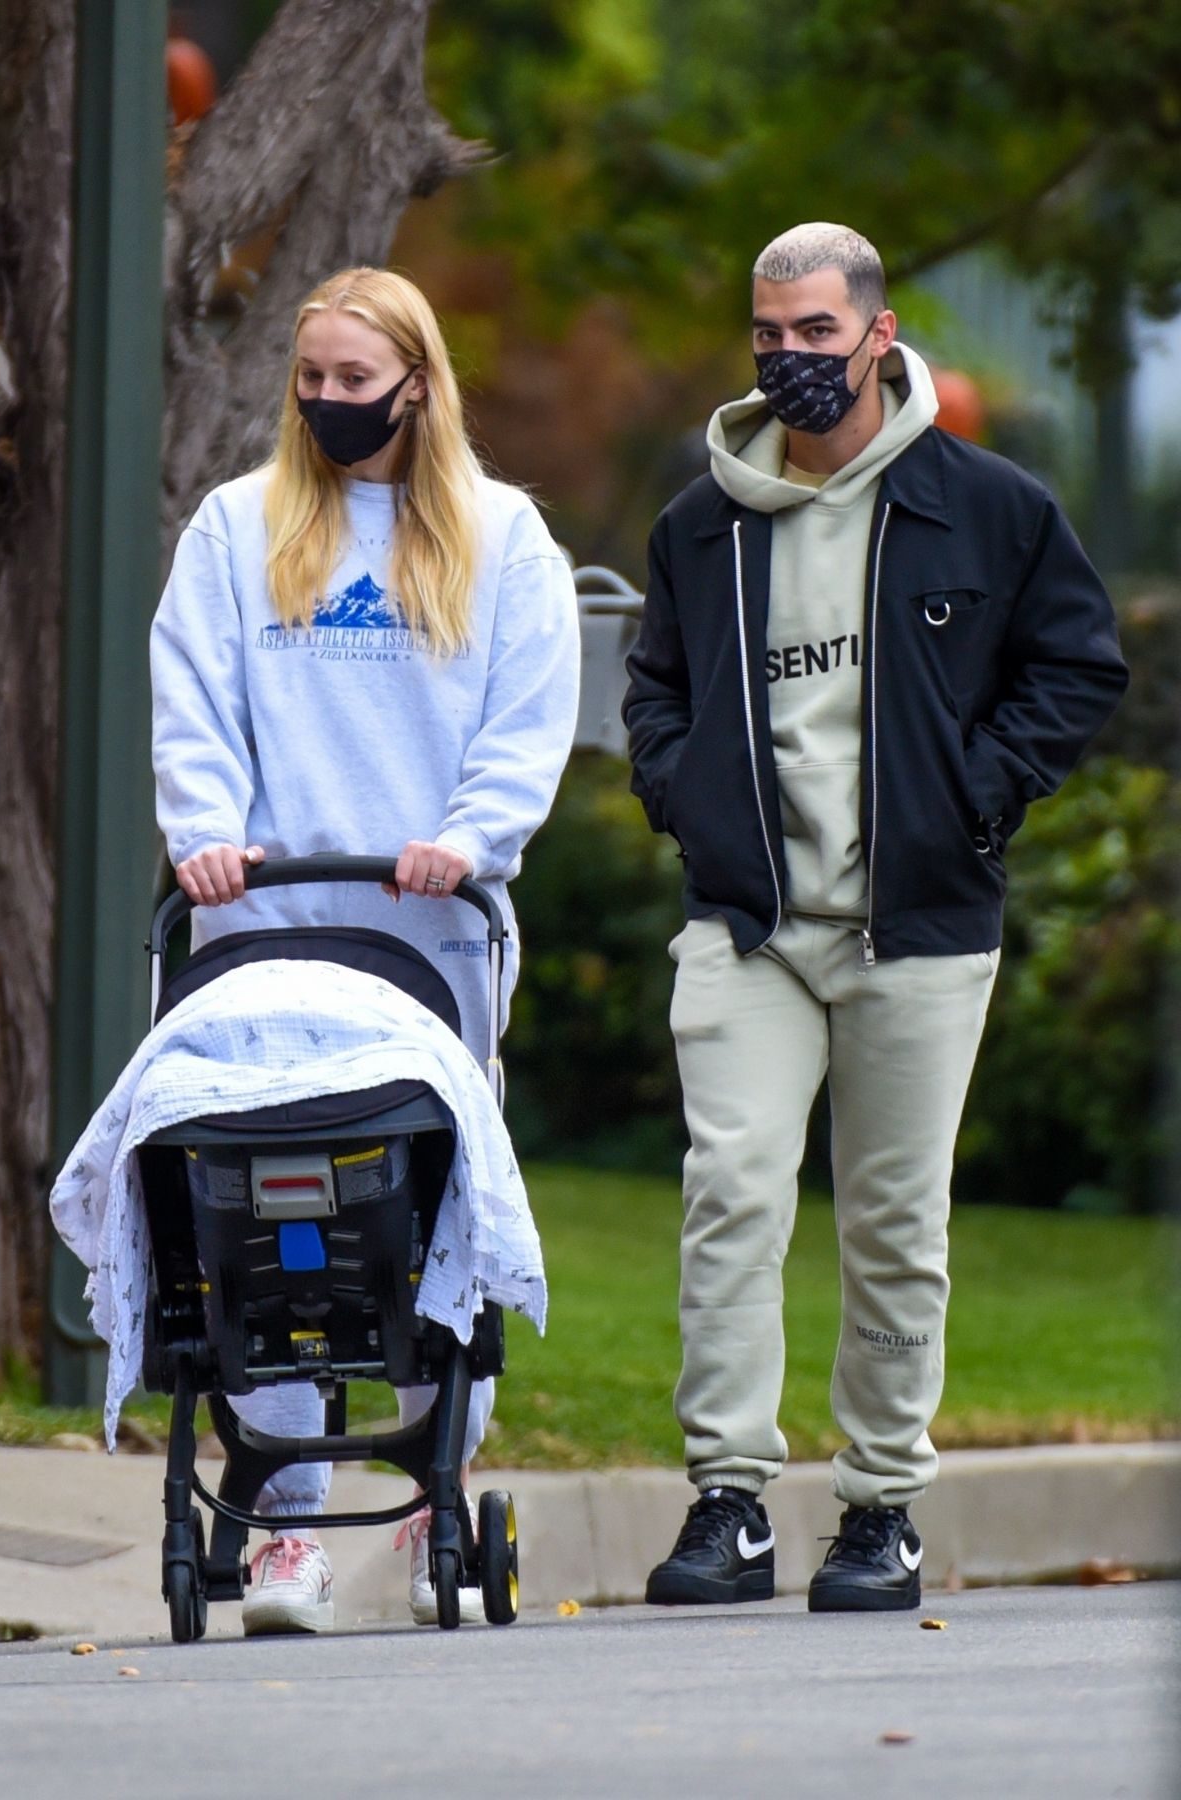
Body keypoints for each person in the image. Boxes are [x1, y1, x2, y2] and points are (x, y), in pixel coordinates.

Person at [623, 222, 1127, 1613]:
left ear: (879, 335)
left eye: (816, 336)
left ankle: (881, 1510)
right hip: (750, 927)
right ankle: (727, 1500)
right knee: (730, 1192)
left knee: (897, 1222)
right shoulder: (702, 524)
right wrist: (688, 800)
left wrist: (978, 797)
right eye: (769, 336)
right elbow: (653, 692)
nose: (791, 359)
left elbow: (1079, 663)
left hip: (919, 924)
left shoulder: (989, 506)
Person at [151, 266, 579, 1633]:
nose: (331, 403)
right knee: (257, 1220)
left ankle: (428, 1483)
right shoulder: (239, 527)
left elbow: (527, 722)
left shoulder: (504, 541)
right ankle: (277, 1523)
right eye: (313, 380)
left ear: (417, 383)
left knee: (427, 1208)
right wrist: (206, 832)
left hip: (428, 943)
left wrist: (473, 837)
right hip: (264, 933)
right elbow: (194, 699)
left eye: (356, 381)